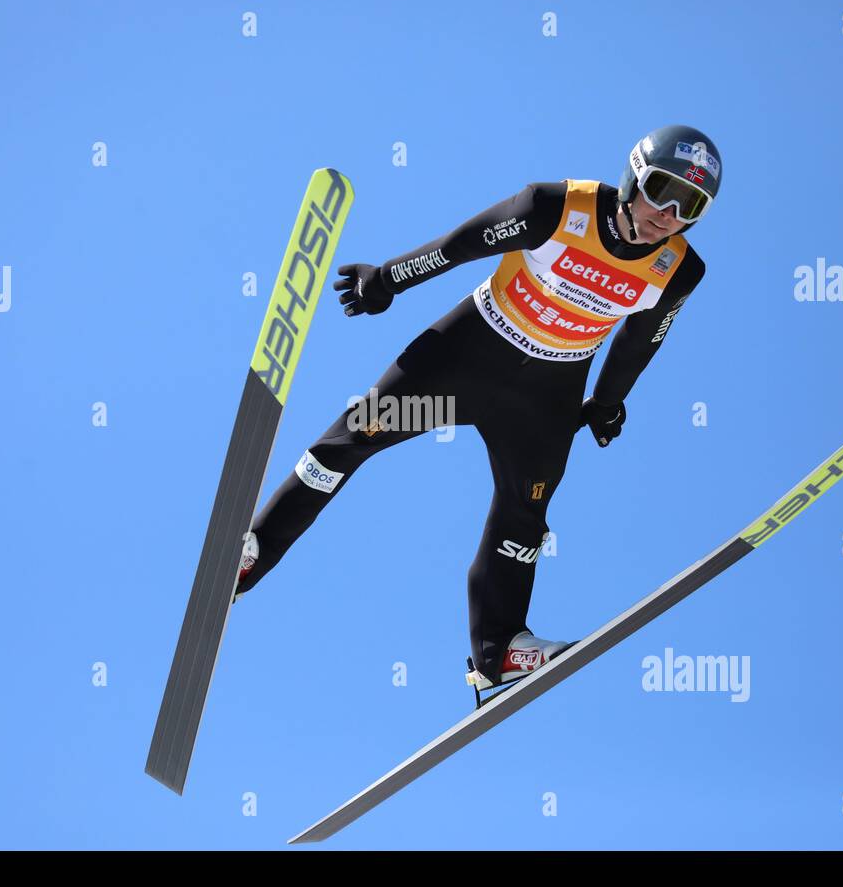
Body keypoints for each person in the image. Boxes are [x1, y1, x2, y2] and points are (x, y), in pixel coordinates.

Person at [235, 124, 721, 691]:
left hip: (544, 400)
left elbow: (642, 340)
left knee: (525, 517)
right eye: (662, 189)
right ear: (633, 177)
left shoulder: (681, 269)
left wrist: (609, 404)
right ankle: (251, 555)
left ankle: (499, 650)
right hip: (466, 361)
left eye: (690, 205)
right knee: (352, 439)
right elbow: (462, 244)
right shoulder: (556, 206)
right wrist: (387, 280)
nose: (669, 212)